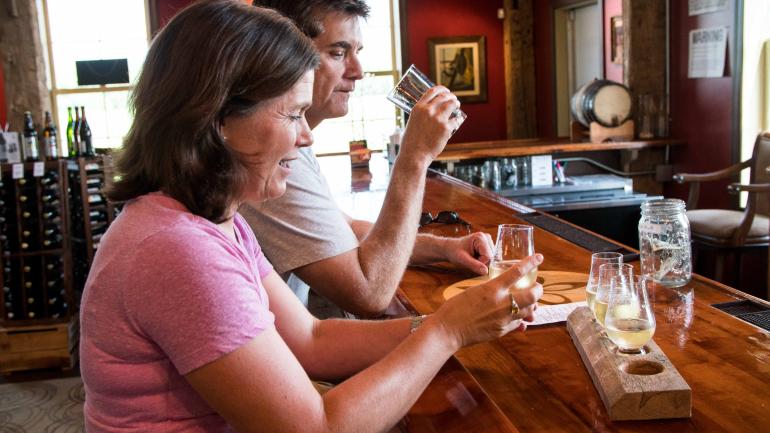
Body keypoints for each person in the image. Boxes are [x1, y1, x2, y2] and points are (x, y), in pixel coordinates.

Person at [79, 1, 543, 431]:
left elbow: (311, 340)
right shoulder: (178, 249)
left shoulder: (216, 220)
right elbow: (315, 427)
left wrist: (459, 320)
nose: (306, 137)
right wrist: (447, 331)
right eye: (292, 115)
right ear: (218, 120)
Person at [243, 0, 495, 317]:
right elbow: (369, 292)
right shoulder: (268, 155)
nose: (359, 72)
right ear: (283, 56)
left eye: (357, 52)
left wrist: (445, 249)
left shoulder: (295, 142)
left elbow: (346, 229)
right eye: (338, 53)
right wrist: (415, 157)